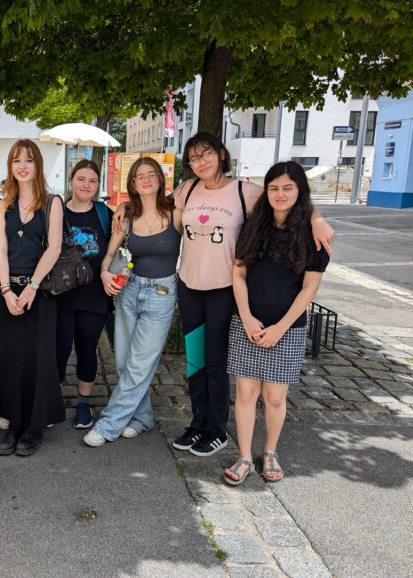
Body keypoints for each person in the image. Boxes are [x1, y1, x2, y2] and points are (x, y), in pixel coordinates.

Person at [113, 135, 333, 457]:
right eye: (193, 158)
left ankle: (217, 429)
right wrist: (124, 204)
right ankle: (198, 422)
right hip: (189, 285)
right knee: (195, 360)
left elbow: (284, 196)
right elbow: (153, 201)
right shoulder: (187, 190)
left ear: (221, 155)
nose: (201, 162)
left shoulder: (244, 191)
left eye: (206, 155)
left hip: (223, 289)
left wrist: (316, 218)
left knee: (215, 362)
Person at [223, 161, 329, 485]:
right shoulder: (253, 227)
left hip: (288, 328)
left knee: (274, 397)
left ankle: (269, 451)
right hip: (247, 322)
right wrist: (246, 316)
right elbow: (238, 274)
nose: (280, 194)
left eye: (287, 188)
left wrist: (281, 327)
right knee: (244, 393)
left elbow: (310, 288)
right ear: (266, 191)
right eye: (273, 188)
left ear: (300, 191)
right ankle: (244, 457)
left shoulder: (313, 235)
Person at [83, 158, 180, 447]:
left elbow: (193, 190)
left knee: (139, 365)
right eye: (140, 176)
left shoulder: (175, 213)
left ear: (161, 180)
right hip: (128, 290)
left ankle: (109, 424)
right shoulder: (125, 217)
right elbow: (109, 254)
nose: (147, 179)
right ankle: (142, 418)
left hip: (161, 294)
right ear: (133, 184)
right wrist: (103, 274)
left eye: (152, 174)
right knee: (125, 361)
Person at [0, 139, 65, 457]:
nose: (22, 165)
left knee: (38, 360)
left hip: (39, 293)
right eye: (17, 160)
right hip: (7, 291)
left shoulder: (52, 202)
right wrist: (6, 290)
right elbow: (0, 250)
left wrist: (31, 287)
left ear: (38, 165)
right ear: (11, 166)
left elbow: (54, 248)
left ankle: (33, 426)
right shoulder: (4, 205)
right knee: (10, 359)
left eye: (29, 160)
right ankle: (14, 422)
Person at [55, 160, 113, 429]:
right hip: (61, 295)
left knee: (87, 349)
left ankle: (83, 404)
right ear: (71, 180)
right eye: (81, 179)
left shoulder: (105, 214)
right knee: (59, 349)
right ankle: (52, 399)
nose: (86, 185)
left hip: (94, 296)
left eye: (92, 180)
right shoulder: (57, 212)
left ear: (98, 185)